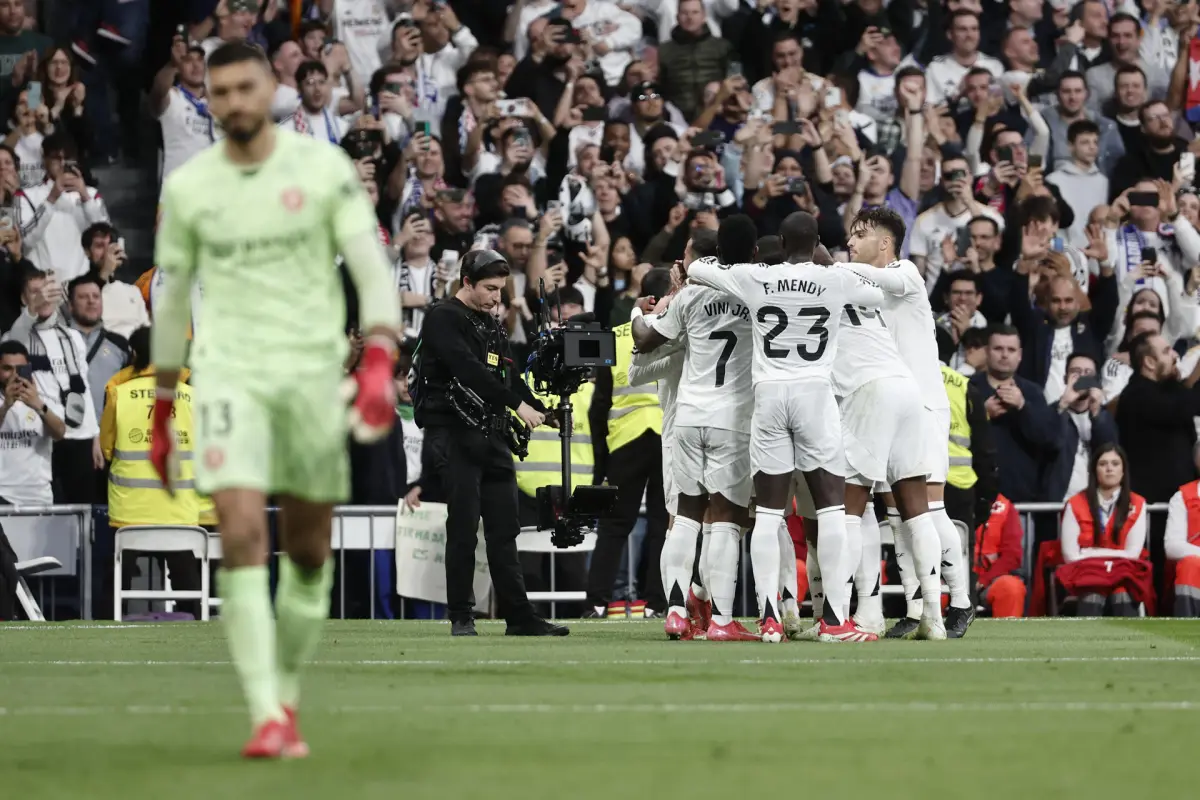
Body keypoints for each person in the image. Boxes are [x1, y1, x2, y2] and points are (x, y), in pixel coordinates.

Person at [150, 42, 401, 760]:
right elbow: (171, 306)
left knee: (309, 549)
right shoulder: (193, 187)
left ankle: (284, 692)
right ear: (208, 97)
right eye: (217, 90)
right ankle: (267, 712)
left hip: (310, 375)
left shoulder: (320, 169)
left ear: (270, 90)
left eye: (243, 87)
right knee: (238, 535)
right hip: (229, 375)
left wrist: (380, 356)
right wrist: (166, 404)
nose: (232, 101)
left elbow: (372, 271)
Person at [683, 212, 887, 642]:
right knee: (831, 508)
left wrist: (744, 268)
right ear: (815, 242)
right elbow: (880, 295)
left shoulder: (757, 278)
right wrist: (831, 266)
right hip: (815, 394)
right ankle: (833, 619)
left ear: (780, 240)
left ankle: (770, 617)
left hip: (770, 395)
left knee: (770, 513)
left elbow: (696, 267)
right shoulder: (834, 279)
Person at [405, 248, 567, 637]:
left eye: (501, 289)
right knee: (462, 526)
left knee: (504, 530)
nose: (497, 297)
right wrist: (516, 405)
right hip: (455, 434)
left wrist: (542, 409)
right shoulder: (443, 317)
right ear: (467, 283)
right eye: (490, 289)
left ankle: (519, 617)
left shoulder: (490, 324)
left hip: (491, 434)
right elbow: (467, 368)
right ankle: (461, 615)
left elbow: (507, 376)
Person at [840, 208, 966, 639]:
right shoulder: (860, 286)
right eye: (849, 236)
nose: (851, 242)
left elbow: (885, 282)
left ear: (886, 242)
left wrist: (832, 269)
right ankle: (917, 608)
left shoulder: (904, 271)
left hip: (926, 406)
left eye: (860, 234)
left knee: (930, 509)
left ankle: (961, 602)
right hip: (889, 407)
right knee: (898, 515)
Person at [632, 227, 757, 641]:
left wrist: (638, 312)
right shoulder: (756, 293)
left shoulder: (689, 295)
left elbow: (646, 340)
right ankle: (721, 620)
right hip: (733, 419)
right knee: (723, 520)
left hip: (688, 416)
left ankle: (674, 611)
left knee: (683, 518)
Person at [101, 327, 202, 617]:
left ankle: (108, 631)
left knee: (118, 580)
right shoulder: (192, 397)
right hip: (179, 512)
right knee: (187, 582)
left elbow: (107, 449)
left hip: (130, 513)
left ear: (134, 354)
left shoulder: (118, 393)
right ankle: (196, 630)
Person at [1059, 444, 1151, 616]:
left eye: (1115, 464)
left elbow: (1133, 553)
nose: (1109, 469)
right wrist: (1108, 555)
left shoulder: (1138, 503)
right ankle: (1090, 643)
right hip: (1086, 575)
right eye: (1103, 464)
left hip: (1124, 574)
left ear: (1123, 471)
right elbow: (1070, 555)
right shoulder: (1075, 503)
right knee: (1092, 595)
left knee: (1122, 595)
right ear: (1094, 470)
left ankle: (1129, 643)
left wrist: (1090, 552)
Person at [0, 339, 64, 506]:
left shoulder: (45, 396)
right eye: (7, 369)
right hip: (3, 492)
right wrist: (6, 405)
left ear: (29, 367)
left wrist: (38, 406)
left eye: (19, 369)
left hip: (38, 494)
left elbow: (59, 433)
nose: (14, 375)